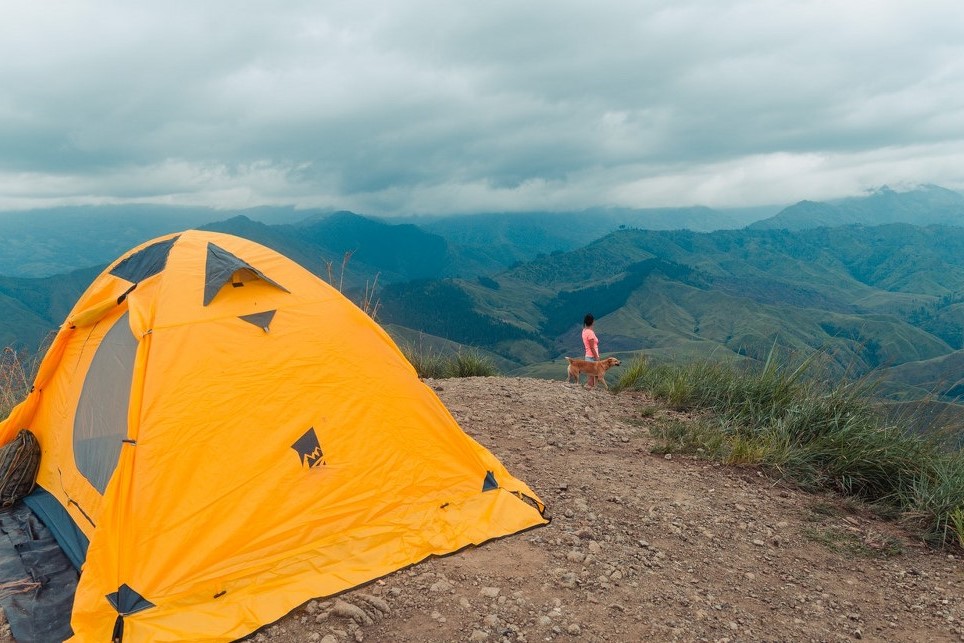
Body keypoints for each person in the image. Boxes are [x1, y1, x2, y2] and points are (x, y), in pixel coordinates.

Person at [581, 313, 601, 388]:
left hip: (588, 356)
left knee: (590, 376)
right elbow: (592, 347)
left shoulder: (584, 331)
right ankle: (589, 392)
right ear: (592, 322)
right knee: (593, 377)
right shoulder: (590, 333)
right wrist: (596, 357)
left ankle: (589, 391)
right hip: (592, 357)